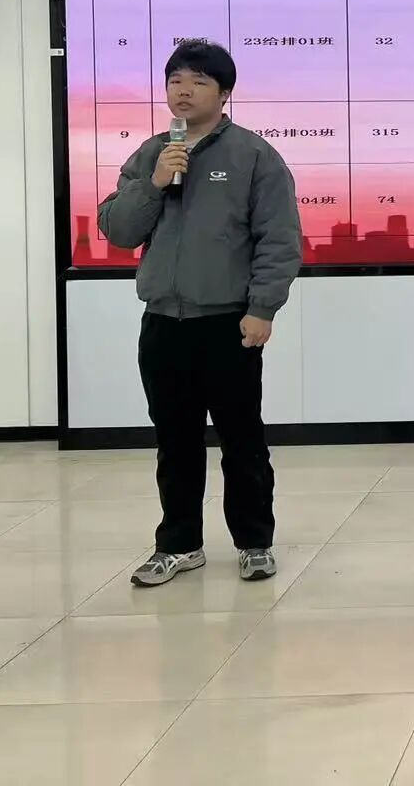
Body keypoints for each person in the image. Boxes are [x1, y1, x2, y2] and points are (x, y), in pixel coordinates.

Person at [98, 39, 301, 588]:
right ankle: (179, 544)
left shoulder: (253, 156)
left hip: (229, 322)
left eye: (198, 81)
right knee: (175, 441)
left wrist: (262, 308)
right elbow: (118, 231)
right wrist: (154, 184)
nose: (183, 91)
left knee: (242, 439)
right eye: (175, 81)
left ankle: (254, 542)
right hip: (164, 321)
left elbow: (279, 239)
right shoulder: (151, 155)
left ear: (224, 93)